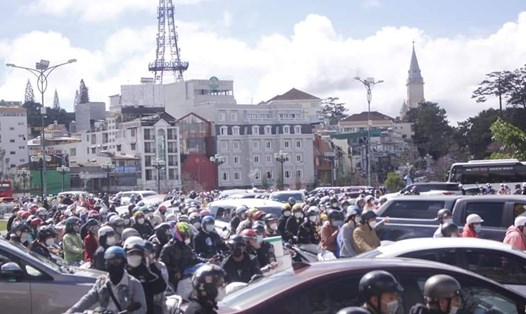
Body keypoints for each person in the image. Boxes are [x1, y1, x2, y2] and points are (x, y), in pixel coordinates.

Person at [65, 246, 147, 314]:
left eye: (116, 261)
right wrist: (70, 311)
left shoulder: (134, 284)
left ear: (124, 262)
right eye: (110, 261)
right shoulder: (102, 283)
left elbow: (142, 309)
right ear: (105, 263)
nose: (113, 264)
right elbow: (87, 299)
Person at [124, 236, 167, 314]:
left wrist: (151, 264)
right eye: (131, 253)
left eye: (138, 253)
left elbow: (161, 287)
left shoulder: (146, 271)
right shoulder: (122, 270)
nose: (134, 256)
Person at [160, 222, 205, 290]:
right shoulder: (168, 248)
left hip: (185, 278)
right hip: (171, 280)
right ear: (179, 235)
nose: (188, 238)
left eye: (189, 235)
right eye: (186, 236)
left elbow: (194, 258)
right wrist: (175, 272)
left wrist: (207, 261)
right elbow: (162, 265)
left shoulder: (187, 248)